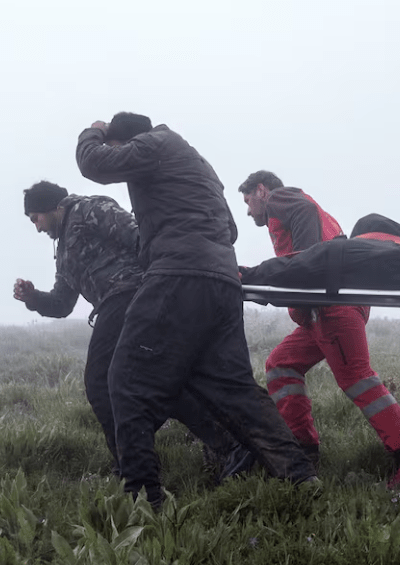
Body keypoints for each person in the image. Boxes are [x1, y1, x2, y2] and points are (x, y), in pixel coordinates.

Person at [76, 113, 316, 508]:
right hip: (221, 281)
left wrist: (95, 132)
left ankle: (143, 498)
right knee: (235, 388)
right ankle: (301, 475)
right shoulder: (197, 164)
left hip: (177, 276)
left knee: (124, 380)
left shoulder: (153, 144)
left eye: (121, 151)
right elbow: (231, 229)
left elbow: (94, 164)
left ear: (128, 140)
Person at [14, 181, 243, 479]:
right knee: (158, 383)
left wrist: (166, 286)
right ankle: (225, 443)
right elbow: (61, 304)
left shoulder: (89, 208)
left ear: (52, 207)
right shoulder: (63, 252)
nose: (37, 227)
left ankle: (129, 465)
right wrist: (33, 298)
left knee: (99, 382)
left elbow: (140, 238)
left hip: (133, 294)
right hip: (116, 303)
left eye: (36, 218)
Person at [237, 170, 400, 489]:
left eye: (248, 200)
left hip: (333, 309)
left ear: (262, 191)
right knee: (281, 364)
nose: (248, 210)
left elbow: (306, 256)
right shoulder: (307, 212)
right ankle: (303, 451)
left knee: (357, 378)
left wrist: (297, 263)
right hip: (325, 311)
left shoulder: (283, 200)